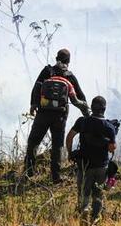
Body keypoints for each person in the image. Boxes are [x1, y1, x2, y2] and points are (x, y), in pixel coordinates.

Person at [25, 48, 90, 183]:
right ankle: (56, 176)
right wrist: (87, 115)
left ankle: (29, 172)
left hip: (43, 113)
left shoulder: (47, 71)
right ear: (69, 61)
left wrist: (33, 105)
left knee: (33, 141)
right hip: (60, 116)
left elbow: (37, 87)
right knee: (57, 145)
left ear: (56, 58)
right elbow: (80, 97)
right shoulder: (70, 76)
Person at [66, 96, 117, 223]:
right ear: (104, 109)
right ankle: (95, 220)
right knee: (98, 195)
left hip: (84, 165)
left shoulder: (82, 121)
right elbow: (112, 149)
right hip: (101, 167)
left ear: (91, 107)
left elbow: (70, 136)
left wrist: (70, 153)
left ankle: (82, 219)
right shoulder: (109, 127)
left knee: (83, 194)